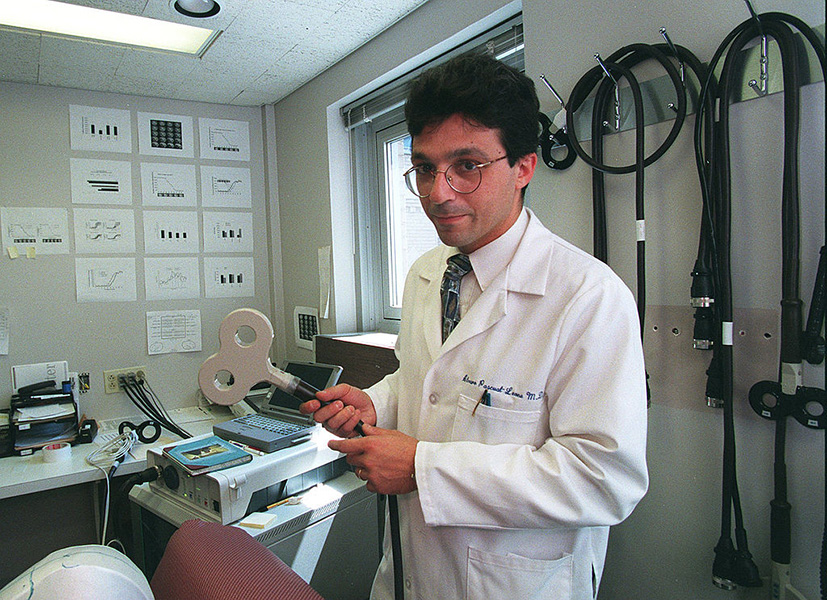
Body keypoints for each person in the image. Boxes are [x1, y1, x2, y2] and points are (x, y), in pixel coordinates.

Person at [301, 53, 648, 600]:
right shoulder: (426, 272)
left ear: (524, 167)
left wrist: (423, 468)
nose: (438, 193)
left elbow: (604, 479)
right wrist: (378, 405)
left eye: (467, 166)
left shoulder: (587, 297)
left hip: (515, 582)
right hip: (413, 568)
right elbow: (427, 382)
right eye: (425, 168)